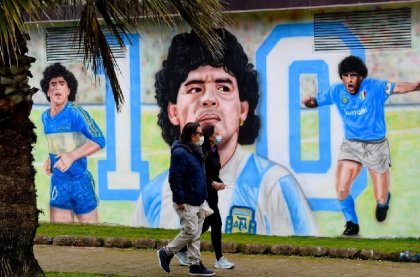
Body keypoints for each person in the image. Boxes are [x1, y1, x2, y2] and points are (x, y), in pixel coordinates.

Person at [133, 28, 318, 236]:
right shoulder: (152, 195)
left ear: (243, 110)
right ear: (173, 112)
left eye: (223, 87)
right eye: (195, 88)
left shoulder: (273, 186)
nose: (209, 99)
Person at [302, 55, 420, 236]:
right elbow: (316, 101)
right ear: (342, 78)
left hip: (377, 146)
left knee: (380, 198)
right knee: (341, 188)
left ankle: (384, 201)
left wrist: (414, 86)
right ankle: (352, 224)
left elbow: (396, 87)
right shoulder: (336, 92)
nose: (350, 80)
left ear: (361, 77)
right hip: (352, 145)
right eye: (346, 75)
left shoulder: (374, 87)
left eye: (354, 76)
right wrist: (310, 103)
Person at [40, 63, 105, 223]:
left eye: (62, 84)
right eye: (53, 84)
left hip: (80, 183)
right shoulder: (45, 117)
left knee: (91, 238)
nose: (57, 88)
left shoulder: (76, 113)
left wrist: (72, 156)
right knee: (59, 237)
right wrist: (51, 158)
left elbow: (99, 140)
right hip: (58, 183)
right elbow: (59, 142)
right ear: (48, 92)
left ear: (69, 90)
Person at [157, 122, 215, 276]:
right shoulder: (181, 153)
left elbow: (198, 176)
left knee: (195, 234)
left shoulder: (196, 151)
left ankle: (195, 264)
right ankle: (167, 252)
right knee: (190, 231)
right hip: (186, 201)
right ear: (192, 135)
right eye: (200, 134)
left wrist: (209, 188)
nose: (202, 137)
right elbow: (175, 178)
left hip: (199, 199)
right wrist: (180, 199)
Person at [175, 124, 234, 269]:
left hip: (213, 194)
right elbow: (200, 175)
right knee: (216, 223)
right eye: (216, 132)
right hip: (204, 194)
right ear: (210, 136)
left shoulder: (214, 150)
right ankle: (219, 258)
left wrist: (219, 183)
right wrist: (212, 183)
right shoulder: (202, 152)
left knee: (204, 225)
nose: (219, 134)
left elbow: (214, 174)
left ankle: (179, 249)